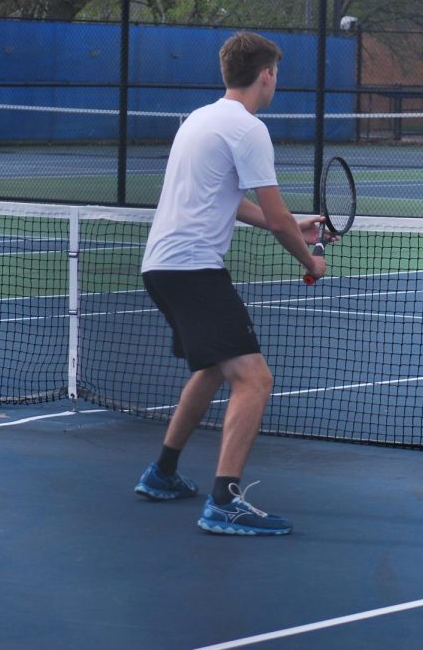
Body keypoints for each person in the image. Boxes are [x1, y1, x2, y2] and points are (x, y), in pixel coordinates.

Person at [133, 31, 328, 535]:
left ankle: (162, 474)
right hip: (192, 267)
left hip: (162, 265)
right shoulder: (247, 129)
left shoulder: (200, 119)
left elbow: (234, 202)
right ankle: (224, 502)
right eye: (276, 75)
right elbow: (280, 218)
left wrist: (292, 225)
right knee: (255, 378)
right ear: (266, 75)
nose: (276, 83)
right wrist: (310, 260)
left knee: (214, 369)